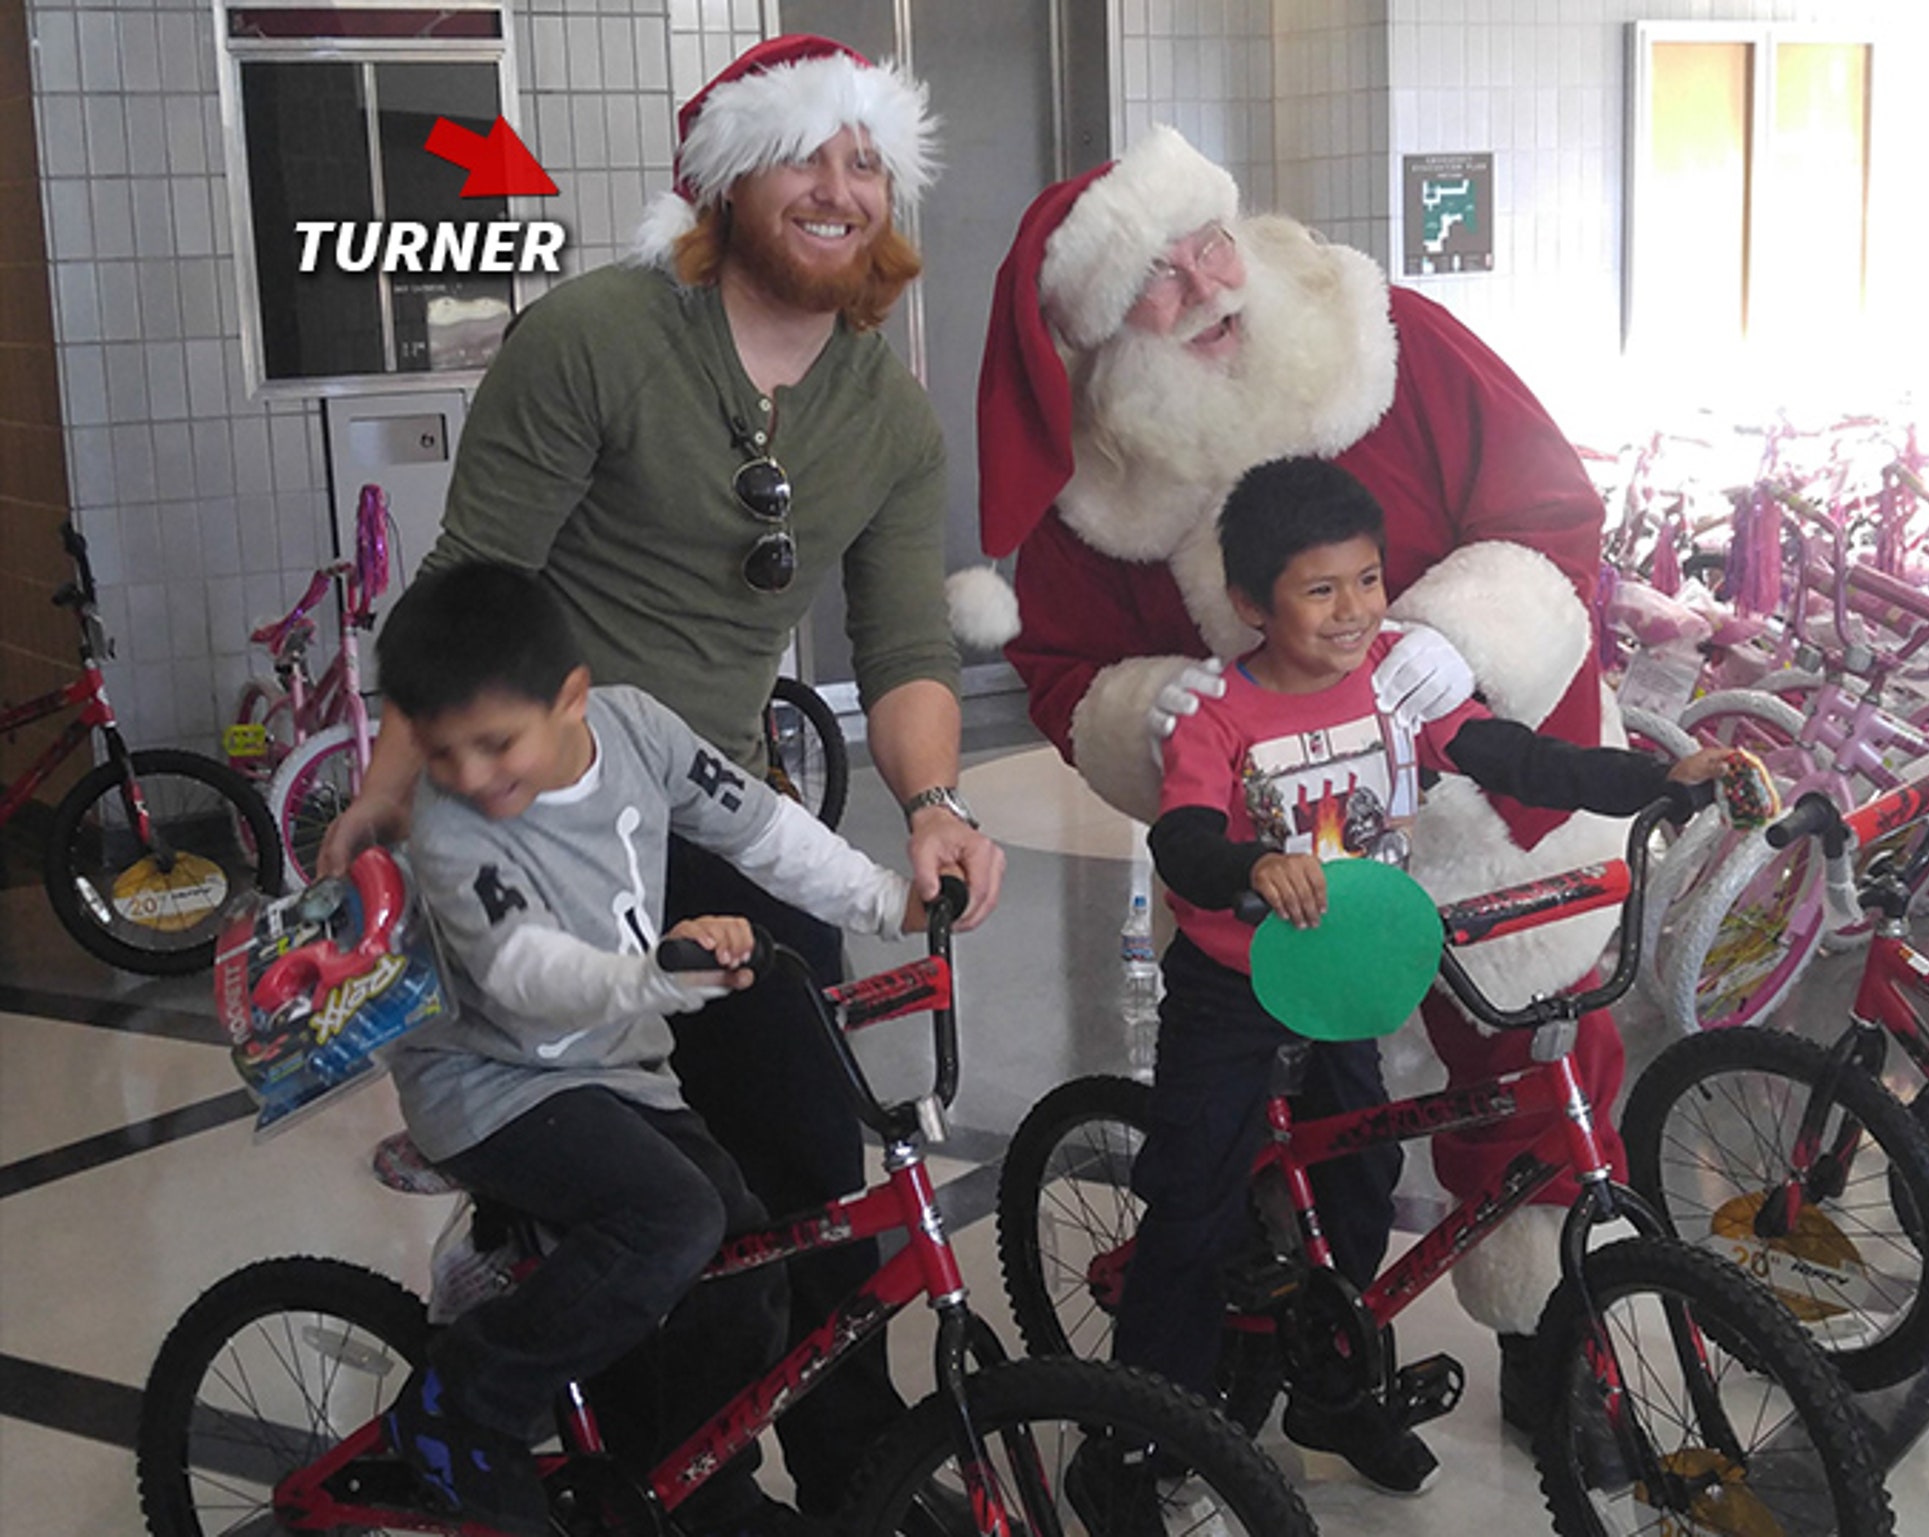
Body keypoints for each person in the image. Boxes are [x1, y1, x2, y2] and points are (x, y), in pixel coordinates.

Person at [319, 35, 1005, 1516]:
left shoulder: (885, 411)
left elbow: (898, 643)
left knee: (820, 1155)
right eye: (803, 155)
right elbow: (474, 575)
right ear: (724, 177)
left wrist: (939, 808)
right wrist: (380, 814)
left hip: (714, 811)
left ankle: (853, 1458)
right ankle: (658, 1470)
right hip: (536, 822)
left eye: (865, 159)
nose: (838, 188)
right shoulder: (599, 338)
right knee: (642, 1178)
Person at [963, 123, 1618, 1413]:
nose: (1205, 282)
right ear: (1096, 331)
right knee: (1297, 1118)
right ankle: (1273, 1347)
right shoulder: (1100, 480)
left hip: (1482, 789)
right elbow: (1061, 666)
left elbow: (1552, 511)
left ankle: (1560, 1344)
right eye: (1154, 275)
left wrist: (1454, 641)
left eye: (1206, 241)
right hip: (1285, 851)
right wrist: (1166, 715)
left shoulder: (1391, 342)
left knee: (1535, 1064)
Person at [1130, 457, 1731, 1493]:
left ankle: (1329, 1390)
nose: (1354, 610)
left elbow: (1513, 757)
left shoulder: (1395, 683)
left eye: (1366, 580)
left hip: (1346, 980)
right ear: (1248, 604)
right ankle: (1135, 1441)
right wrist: (1249, 867)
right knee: (1194, 1206)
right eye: (1319, 590)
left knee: (1359, 1187)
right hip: (1236, 988)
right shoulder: (1216, 715)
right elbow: (1181, 841)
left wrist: (1648, 779)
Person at [372, 563, 932, 1536]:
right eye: (441, 751)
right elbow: (523, 974)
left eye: (494, 744)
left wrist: (889, 900)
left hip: (617, 1064)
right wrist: (657, 978)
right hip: (492, 1082)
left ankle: (689, 1488)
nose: (467, 774)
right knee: (671, 1218)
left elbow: (761, 830)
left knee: (747, 1256)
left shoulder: (636, 729)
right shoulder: (449, 826)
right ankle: (460, 1400)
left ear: (571, 700)